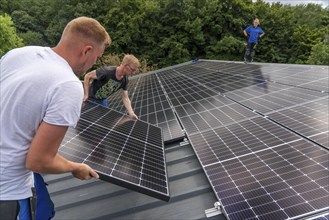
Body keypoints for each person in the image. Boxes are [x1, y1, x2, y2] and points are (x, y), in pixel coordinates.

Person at [0, 16, 111, 219]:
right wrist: (75, 167)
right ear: (86, 50)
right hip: (7, 191)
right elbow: (38, 160)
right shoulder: (67, 85)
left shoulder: (17, 54)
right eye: (97, 56)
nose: (96, 62)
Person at [83, 54, 140, 120]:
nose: (133, 73)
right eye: (132, 70)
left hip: (102, 100)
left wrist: (131, 113)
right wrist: (86, 94)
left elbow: (125, 97)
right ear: (126, 66)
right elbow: (87, 76)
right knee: (87, 120)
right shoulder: (106, 72)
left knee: (103, 120)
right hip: (91, 98)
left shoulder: (125, 80)